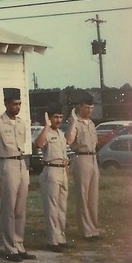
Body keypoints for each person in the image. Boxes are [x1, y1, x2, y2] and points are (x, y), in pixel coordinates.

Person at [0, 88, 36, 262]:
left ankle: (19, 244)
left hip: (21, 163)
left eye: (19, 104)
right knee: (9, 207)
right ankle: (10, 247)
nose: (17, 107)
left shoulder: (20, 122)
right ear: (6, 104)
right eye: (14, 104)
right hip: (7, 163)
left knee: (20, 207)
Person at [34, 103, 71, 253]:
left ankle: (61, 238)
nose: (58, 120)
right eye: (55, 117)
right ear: (49, 118)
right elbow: (38, 144)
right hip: (51, 171)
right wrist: (46, 126)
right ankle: (52, 241)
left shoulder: (60, 134)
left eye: (60, 117)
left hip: (62, 171)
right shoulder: (46, 133)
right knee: (52, 208)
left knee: (62, 207)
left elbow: (65, 156)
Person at [65, 91, 101, 240]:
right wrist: (73, 122)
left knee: (93, 197)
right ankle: (85, 230)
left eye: (91, 108)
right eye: (87, 107)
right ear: (80, 106)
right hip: (81, 159)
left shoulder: (91, 123)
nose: (89, 110)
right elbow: (69, 140)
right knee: (83, 196)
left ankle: (93, 228)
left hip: (93, 160)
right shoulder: (74, 122)